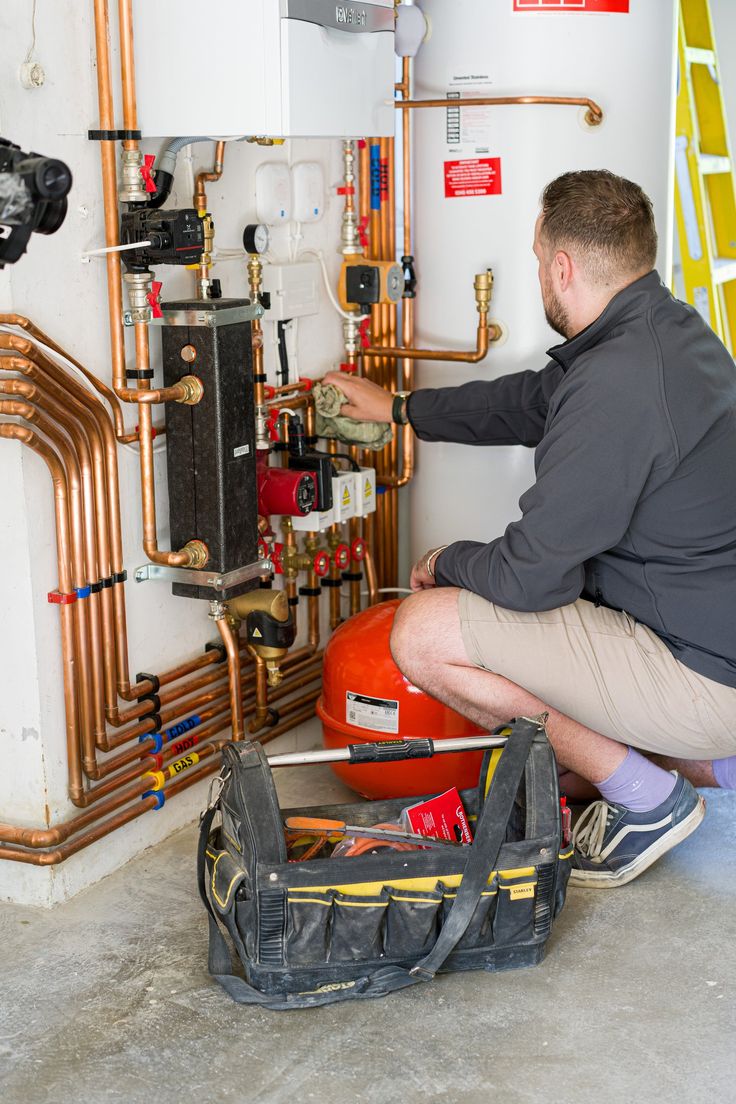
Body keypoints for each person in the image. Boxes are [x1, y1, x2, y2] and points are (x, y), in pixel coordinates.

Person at [324, 169, 736, 889]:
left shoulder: (619, 385)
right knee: (559, 755)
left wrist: (444, 559)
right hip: (712, 642)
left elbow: (530, 577)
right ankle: (715, 766)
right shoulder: (660, 331)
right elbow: (529, 402)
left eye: (538, 254)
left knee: (425, 631)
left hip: (702, 676)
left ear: (562, 266)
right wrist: (397, 410)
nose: (539, 269)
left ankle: (648, 801)